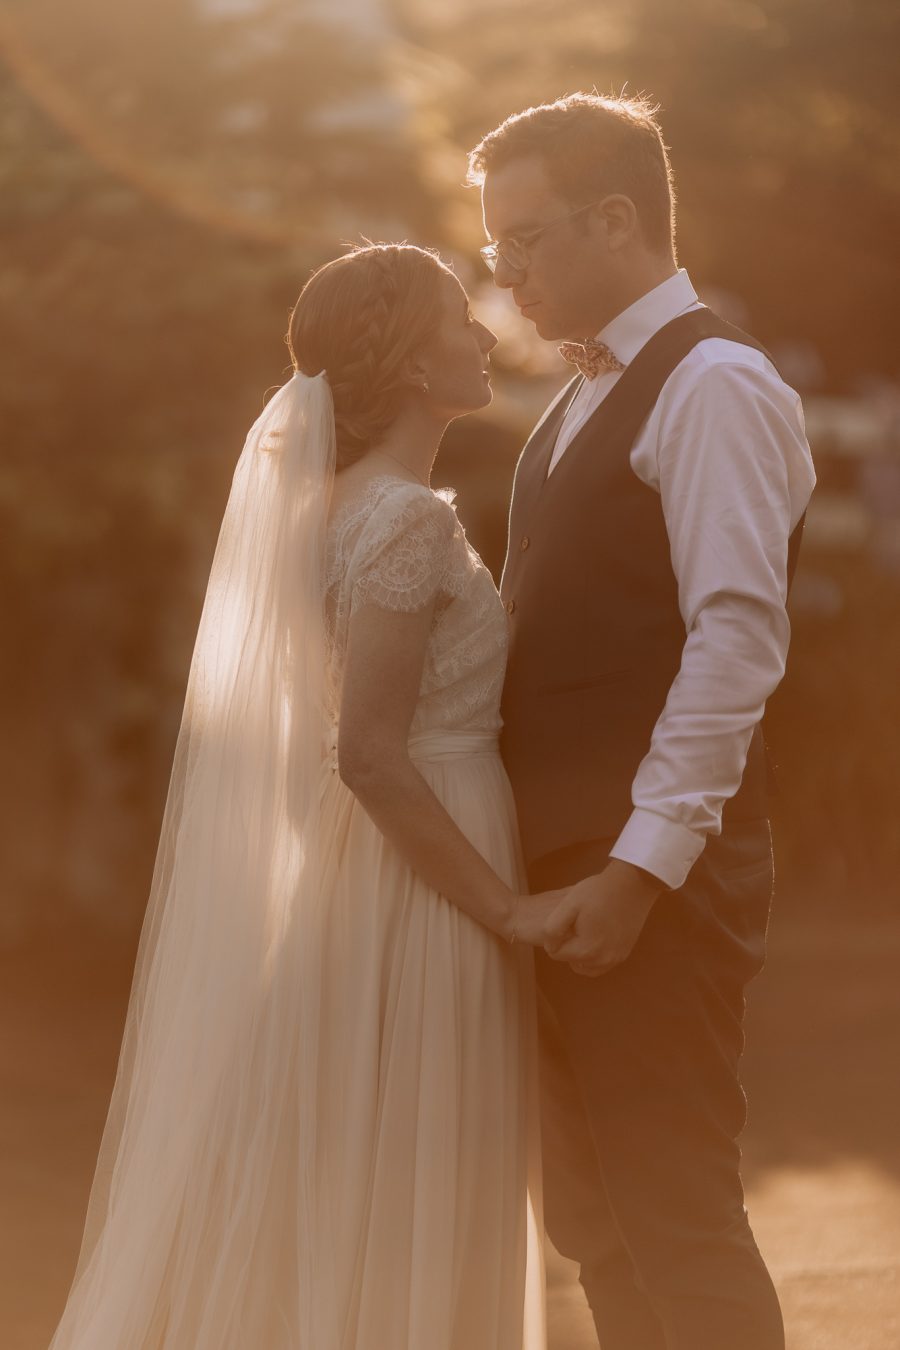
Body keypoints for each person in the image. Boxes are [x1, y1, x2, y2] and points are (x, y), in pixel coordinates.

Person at [47, 243, 554, 1350]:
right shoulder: (405, 520)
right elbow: (369, 752)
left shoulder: (327, 512)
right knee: (425, 1184)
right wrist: (505, 909)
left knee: (364, 1193)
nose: (484, 335)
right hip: (430, 870)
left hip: (361, 865)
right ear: (415, 363)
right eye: (462, 321)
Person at [468, 93, 816, 1350]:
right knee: (598, 1229)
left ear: (617, 218)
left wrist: (637, 868)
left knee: (674, 1218)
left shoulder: (715, 384)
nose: (502, 273)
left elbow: (735, 644)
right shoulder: (568, 407)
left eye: (525, 237)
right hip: (556, 874)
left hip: (645, 880)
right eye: (492, 245)